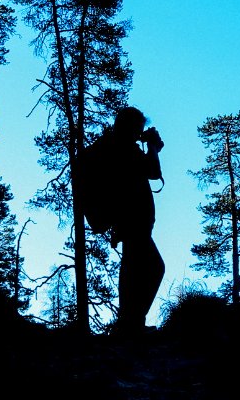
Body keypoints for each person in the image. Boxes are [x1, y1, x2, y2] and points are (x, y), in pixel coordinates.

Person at [100, 106, 165, 335]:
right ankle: (131, 324)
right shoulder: (125, 149)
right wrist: (154, 148)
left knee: (134, 269)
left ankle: (129, 323)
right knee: (152, 268)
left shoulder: (117, 147)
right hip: (133, 222)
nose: (140, 133)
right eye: (138, 128)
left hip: (131, 222)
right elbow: (153, 172)